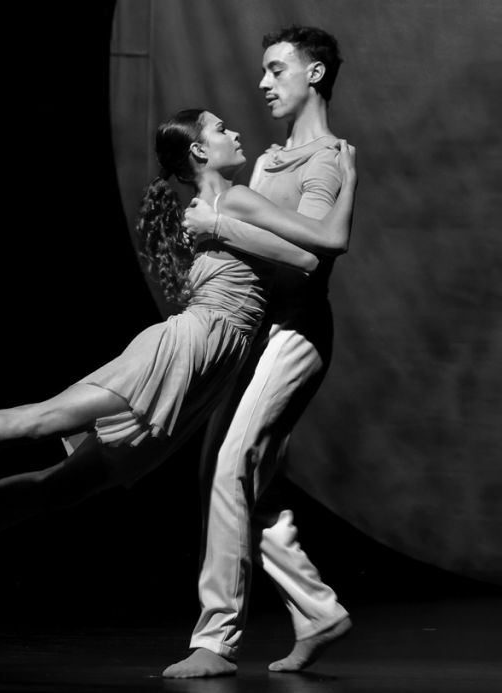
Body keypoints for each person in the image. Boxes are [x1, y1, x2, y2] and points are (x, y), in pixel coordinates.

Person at [0, 109, 357, 590]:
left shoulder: (217, 206)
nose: (234, 133)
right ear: (199, 150)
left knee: (60, 488)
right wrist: (348, 179)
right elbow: (315, 253)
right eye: (221, 129)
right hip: (186, 349)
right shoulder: (232, 200)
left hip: (209, 364)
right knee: (38, 420)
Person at [163, 26, 354, 679]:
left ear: (315, 74)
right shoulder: (270, 161)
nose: (264, 83)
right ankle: (317, 611)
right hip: (256, 330)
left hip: (295, 333)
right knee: (233, 479)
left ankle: (216, 638)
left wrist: (219, 224)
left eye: (277, 70)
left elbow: (308, 254)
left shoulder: (325, 160)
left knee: (230, 467)